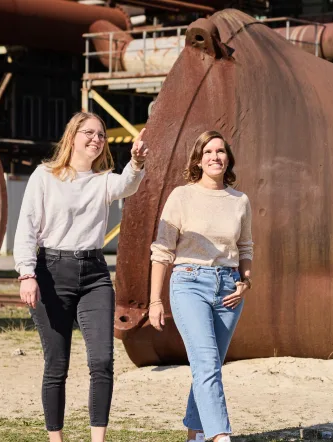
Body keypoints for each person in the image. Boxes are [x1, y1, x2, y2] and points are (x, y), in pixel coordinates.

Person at [13, 112, 148, 442]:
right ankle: (56, 440)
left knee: (102, 360)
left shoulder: (104, 181)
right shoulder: (45, 176)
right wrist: (26, 274)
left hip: (94, 276)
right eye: (89, 132)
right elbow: (26, 228)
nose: (96, 139)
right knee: (56, 364)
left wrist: (135, 162)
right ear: (72, 136)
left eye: (101, 135)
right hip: (50, 274)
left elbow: (128, 185)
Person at [148, 130, 253, 442]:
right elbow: (162, 251)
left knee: (210, 366)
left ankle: (195, 435)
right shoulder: (182, 196)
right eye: (208, 152)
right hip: (189, 283)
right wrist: (155, 301)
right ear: (198, 159)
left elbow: (245, 248)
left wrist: (246, 282)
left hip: (229, 290)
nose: (215, 157)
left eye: (220, 151)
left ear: (228, 158)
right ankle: (220, 436)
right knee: (206, 363)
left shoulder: (240, 201)